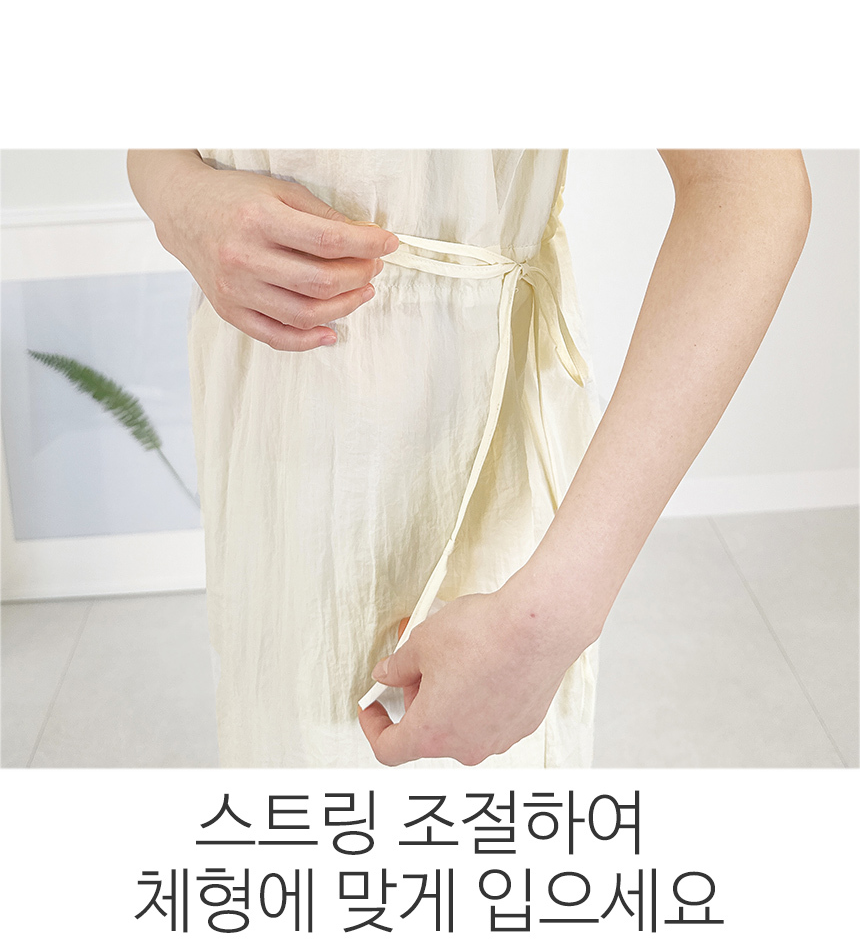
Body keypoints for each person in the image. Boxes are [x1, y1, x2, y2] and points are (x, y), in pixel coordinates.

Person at [127, 148, 812, 768]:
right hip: (260, 434)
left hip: (458, 445)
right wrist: (178, 198)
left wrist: (547, 620)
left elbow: (748, 185)